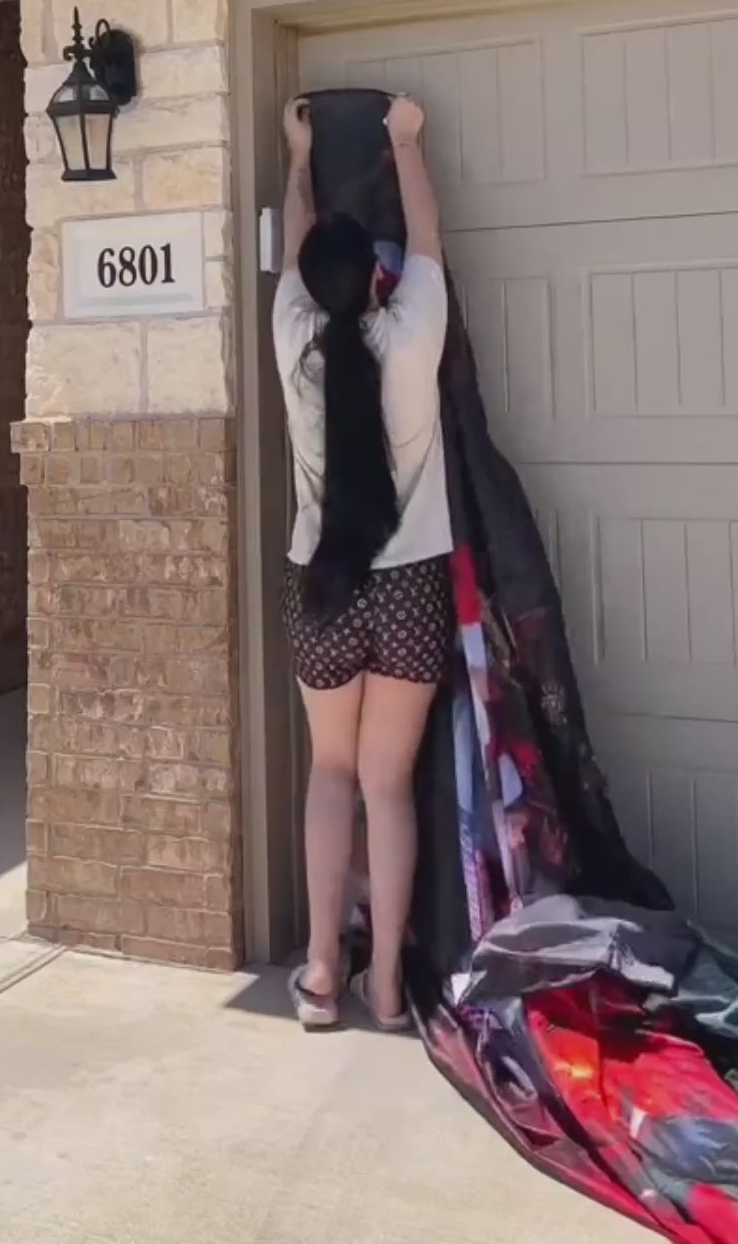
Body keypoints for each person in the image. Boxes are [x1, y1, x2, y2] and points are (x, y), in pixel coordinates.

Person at [272, 92, 454, 1031]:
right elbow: (425, 235)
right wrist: (407, 142)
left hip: (325, 585)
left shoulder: (294, 341)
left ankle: (318, 974)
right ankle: (385, 984)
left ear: (312, 287)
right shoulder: (414, 336)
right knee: (388, 787)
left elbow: (297, 257)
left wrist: (299, 160)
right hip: (412, 583)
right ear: (378, 283)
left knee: (330, 777)